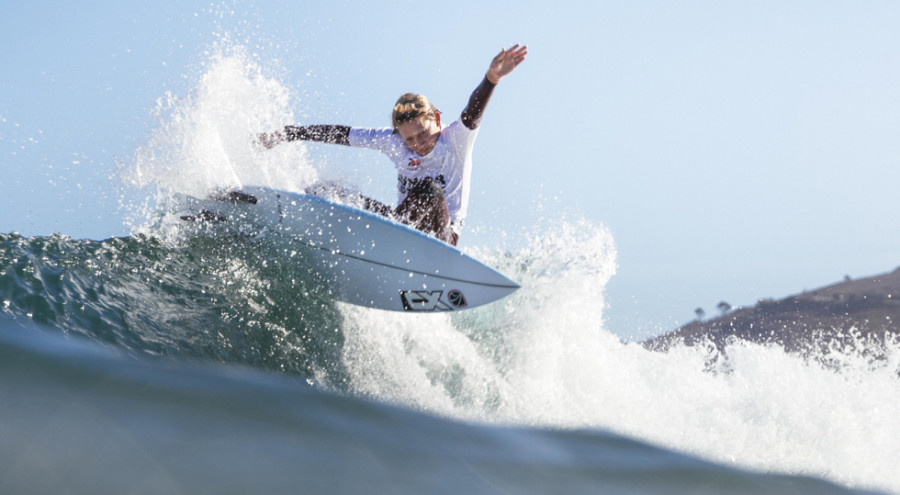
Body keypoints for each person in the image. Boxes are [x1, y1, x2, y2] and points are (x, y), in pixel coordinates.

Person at [259, 44, 528, 246]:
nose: (417, 144)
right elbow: (340, 134)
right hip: (399, 224)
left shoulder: (455, 140)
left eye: (422, 134)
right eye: (409, 139)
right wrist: (289, 133)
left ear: (435, 118)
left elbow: (473, 112)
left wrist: (492, 79)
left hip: (441, 239)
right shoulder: (393, 142)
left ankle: (389, 238)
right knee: (327, 192)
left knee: (430, 190)